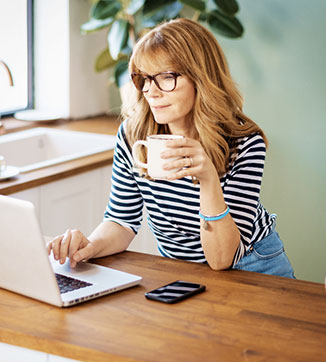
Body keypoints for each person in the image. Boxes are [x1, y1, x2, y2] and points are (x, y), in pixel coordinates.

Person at [48, 18, 295, 278]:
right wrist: (90, 246)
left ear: (201, 78)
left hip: (253, 266)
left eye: (166, 77)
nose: (150, 92)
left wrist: (208, 179)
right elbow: (121, 221)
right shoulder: (134, 136)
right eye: (144, 78)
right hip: (182, 271)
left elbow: (222, 258)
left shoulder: (243, 142)